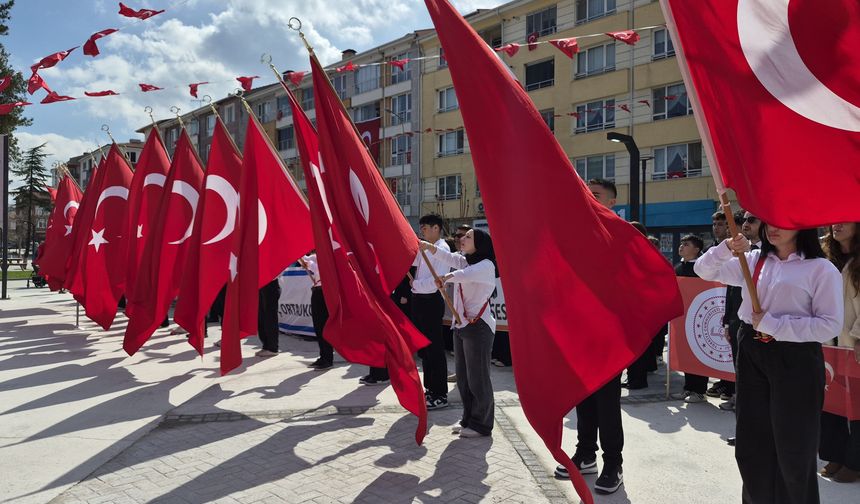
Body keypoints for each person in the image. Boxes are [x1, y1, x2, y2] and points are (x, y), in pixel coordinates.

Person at [695, 223, 842, 504]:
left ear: (801, 226)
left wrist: (775, 325)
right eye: (769, 221)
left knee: (794, 445)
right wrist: (727, 248)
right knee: (751, 440)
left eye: (782, 222)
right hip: (751, 349)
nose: (773, 228)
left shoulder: (820, 268)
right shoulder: (752, 259)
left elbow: (829, 325)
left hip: (796, 356)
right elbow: (704, 270)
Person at [555, 178, 624, 495]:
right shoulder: (578, 234)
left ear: (612, 202)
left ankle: (613, 464)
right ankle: (585, 454)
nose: (589, 199)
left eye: (595, 195)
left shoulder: (621, 234)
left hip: (609, 334)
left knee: (607, 403)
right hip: (580, 330)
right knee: (582, 396)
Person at [418, 228, 497, 438]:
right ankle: (468, 420)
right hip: (462, 325)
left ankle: (481, 425)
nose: (463, 239)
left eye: (468, 237)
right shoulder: (466, 261)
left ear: (480, 243)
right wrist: (429, 247)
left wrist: (446, 277)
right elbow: (450, 258)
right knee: (463, 378)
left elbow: (464, 275)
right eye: (463, 236)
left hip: (478, 327)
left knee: (478, 378)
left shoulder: (486, 265)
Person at [819, 222, 860, 483]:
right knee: (831, 402)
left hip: (852, 343)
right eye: (835, 220)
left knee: (857, 406)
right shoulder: (825, 258)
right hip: (828, 343)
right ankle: (835, 454)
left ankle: (855, 462)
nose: (837, 224)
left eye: (845, 219)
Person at [712, 211, 761, 413]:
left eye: (751, 220)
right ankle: (740, 402)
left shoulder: (774, 255)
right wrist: (727, 322)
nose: (746, 225)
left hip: (767, 327)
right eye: (744, 221)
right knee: (741, 369)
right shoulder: (739, 255)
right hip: (739, 322)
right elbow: (731, 291)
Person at [413, 214, 452, 409]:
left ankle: (440, 393)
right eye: (421, 228)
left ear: (436, 228)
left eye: (425, 228)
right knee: (426, 349)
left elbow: (436, 281)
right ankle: (430, 388)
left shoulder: (442, 250)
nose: (422, 231)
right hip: (420, 299)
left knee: (435, 349)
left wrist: (415, 285)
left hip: (431, 300)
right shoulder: (424, 248)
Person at [670, 234, 709, 403]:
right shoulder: (678, 267)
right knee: (685, 353)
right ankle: (688, 387)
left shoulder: (702, 268)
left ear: (697, 249)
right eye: (681, 243)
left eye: (686, 244)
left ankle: (699, 391)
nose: (681, 246)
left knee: (698, 353)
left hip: (698, 317)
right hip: (681, 317)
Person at [303, 253, 333, 370]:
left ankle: (327, 358)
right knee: (318, 326)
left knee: (323, 325)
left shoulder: (328, 255)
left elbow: (319, 269)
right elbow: (306, 260)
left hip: (324, 291)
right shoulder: (316, 256)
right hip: (317, 291)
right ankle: (323, 356)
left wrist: (308, 263)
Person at [255, 278, 281, 357]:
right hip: (261, 284)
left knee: (270, 317)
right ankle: (266, 345)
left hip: (270, 283)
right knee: (261, 317)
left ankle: (272, 348)